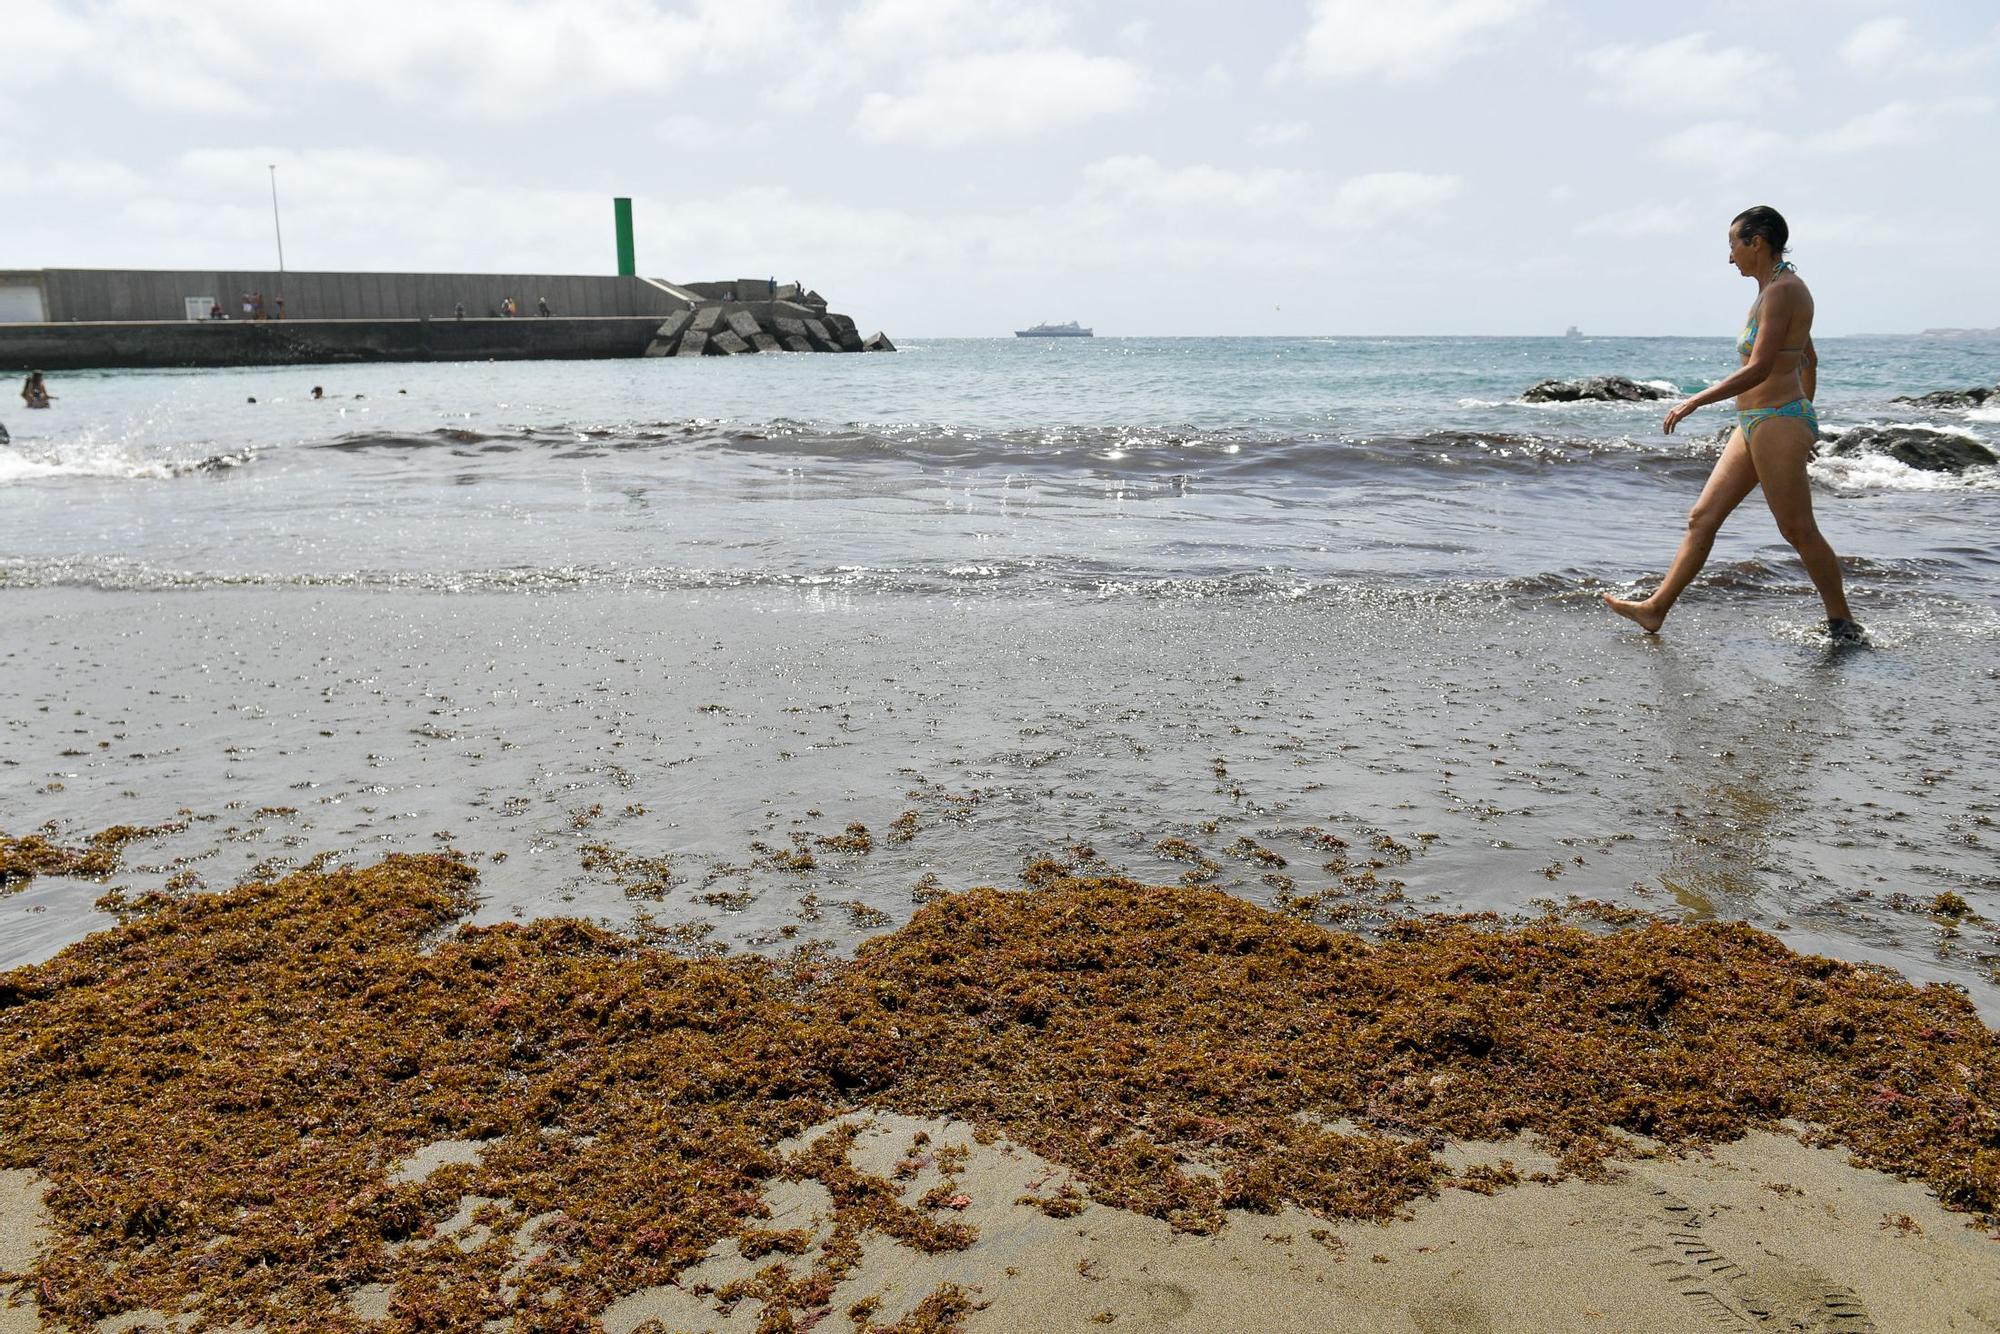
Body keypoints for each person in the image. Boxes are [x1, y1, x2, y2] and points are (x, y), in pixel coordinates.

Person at [1603, 206, 1860, 642]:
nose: (1729, 258)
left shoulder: (1785, 292)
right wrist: (1807, 415)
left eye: (1732, 246)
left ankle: (1843, 624)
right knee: (1702, 517)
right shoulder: (1770, 291)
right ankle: (1655, 609)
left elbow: (1761, 368)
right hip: (1756, 422)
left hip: (1778, 420)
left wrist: (1696, 402)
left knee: (1796, 528)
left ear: (1755, 242)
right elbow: (1808, 359)